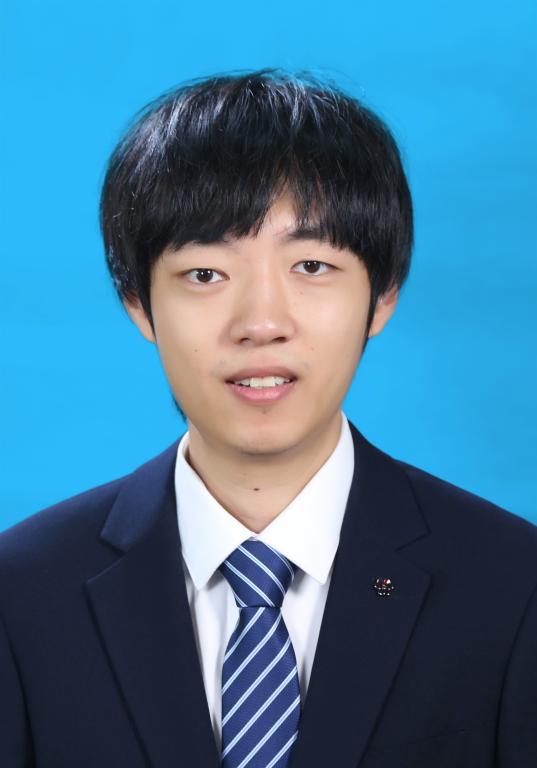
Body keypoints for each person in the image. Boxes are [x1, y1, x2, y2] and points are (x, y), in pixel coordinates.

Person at [0, 69, 536, 768]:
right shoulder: (22, 594)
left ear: (382, 296)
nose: (261, 322)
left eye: (310, 266)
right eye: (205, 275)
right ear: (139, 304)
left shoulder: (512, 586)